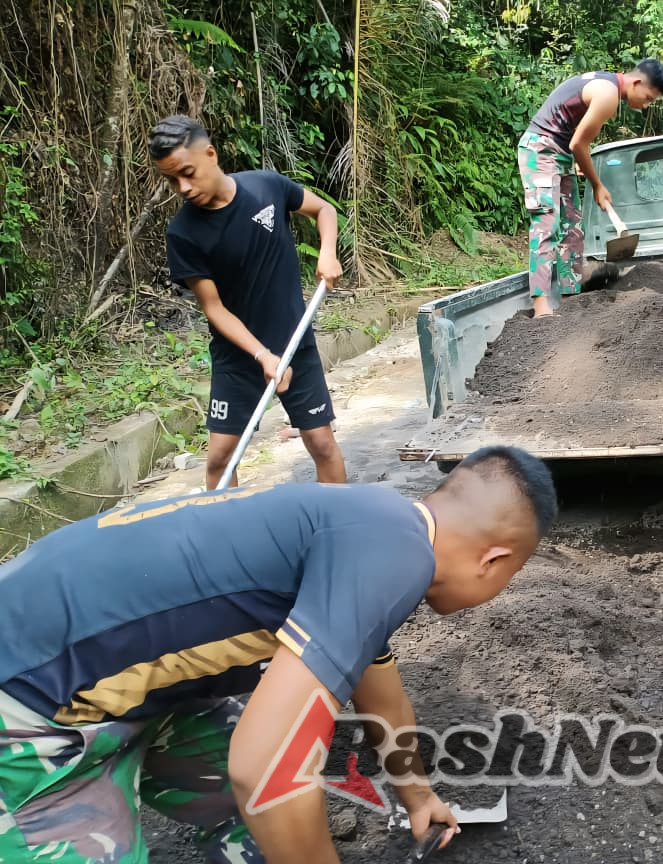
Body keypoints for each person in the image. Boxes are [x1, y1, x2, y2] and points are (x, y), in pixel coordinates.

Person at [0, 446, 556, 863]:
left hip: (108, 674)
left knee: (277, 808)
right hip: (29, 695)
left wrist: (417, 796)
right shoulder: (395, 556)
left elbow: (381, 696)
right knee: (279, 784)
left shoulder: (375, 526)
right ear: (494, 560)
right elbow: (267, 768)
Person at [149, 115, 346, 489]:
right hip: (238, 357)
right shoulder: (183, 234)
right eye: (172, 180)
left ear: (210, 154)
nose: (183, 187)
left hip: (294, 343)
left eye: (188, 173)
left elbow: (325, 210)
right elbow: (214, 308)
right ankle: (226, 525)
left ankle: (338, 519)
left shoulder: (265, 187)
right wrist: (262, 356)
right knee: (220, 460)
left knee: (322, 443)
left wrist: (328, 253)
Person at [518, 60, 663, 317]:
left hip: (560, 152)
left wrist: (578, 160)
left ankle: (571, 298)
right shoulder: (608, 94)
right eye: (648, 98)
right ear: (636, 82)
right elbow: (579, 144)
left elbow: (574, 138)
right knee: (547, 223)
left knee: (573, 228)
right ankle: (541, 306)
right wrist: (597, 184)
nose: (645, 105)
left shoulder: (607, 84)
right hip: (540, 149)